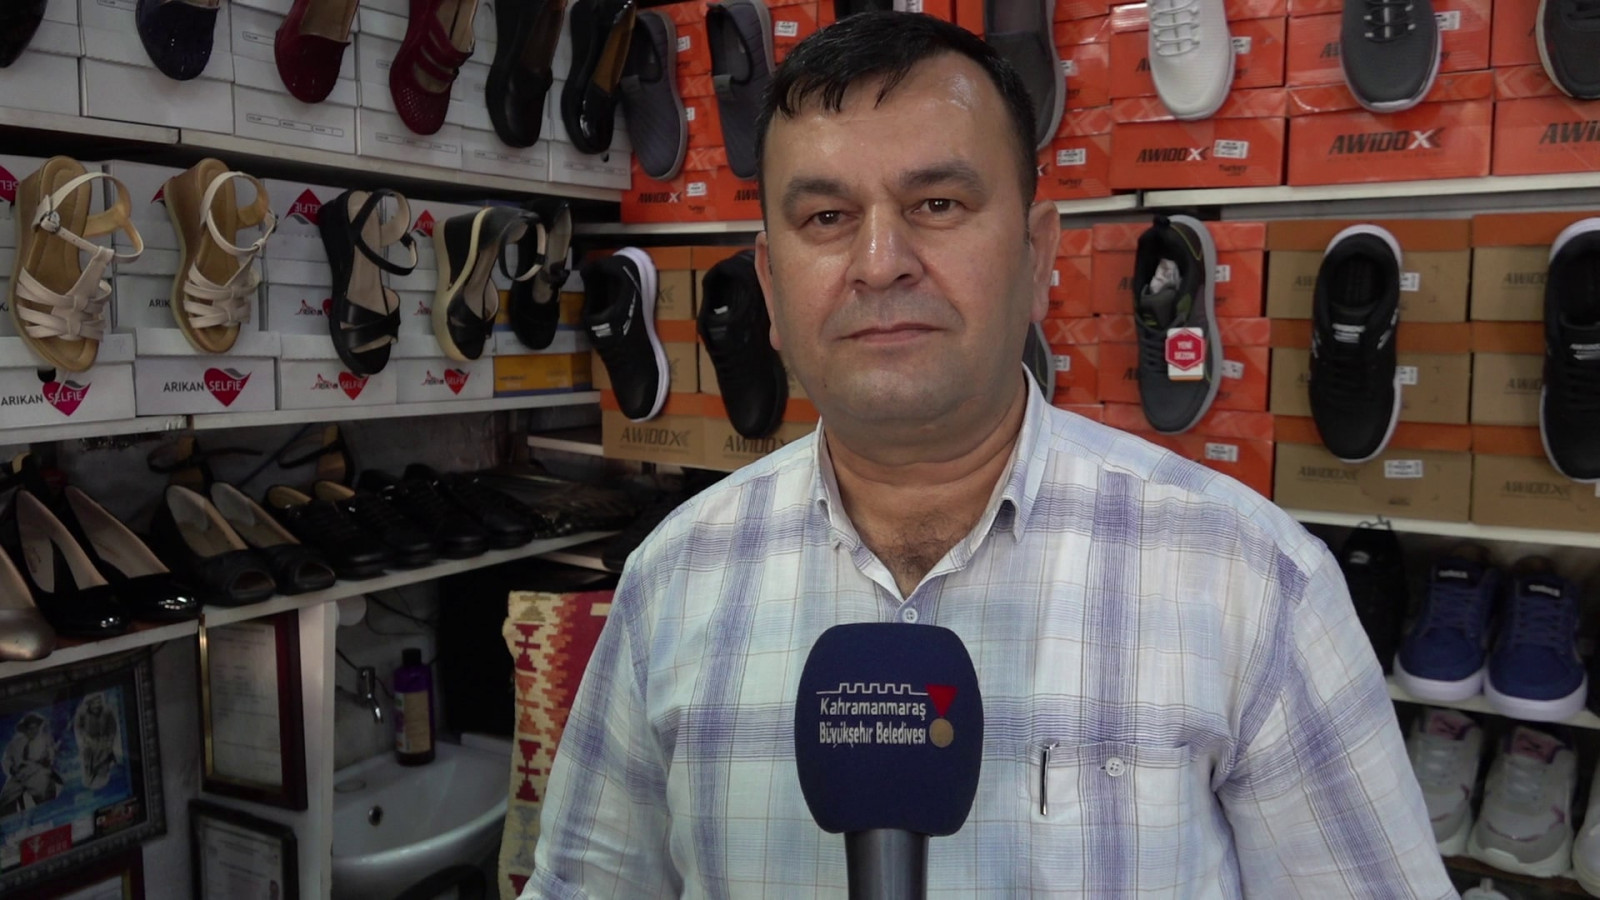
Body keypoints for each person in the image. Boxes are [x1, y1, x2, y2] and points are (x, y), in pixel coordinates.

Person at [527, 11, 1453, 897]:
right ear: (769, 286)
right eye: (826, 219)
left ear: (1038, 255)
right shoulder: (669, 583)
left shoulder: (1256, 583)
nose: (880, 261)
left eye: (937, 203)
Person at [1, 713, 61, 815]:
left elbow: (51, 755)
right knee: (5, 798)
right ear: (25, 729)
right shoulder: (14, 744)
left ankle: (46, 814)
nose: (33, 731)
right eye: (30, 728)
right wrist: (11, 769)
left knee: (44, 790)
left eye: (36, 728)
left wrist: (48, 760)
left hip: (38, 771)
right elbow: (6, 760)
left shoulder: (44, 740)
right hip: (19, 775)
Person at [74, 692, 122, 790]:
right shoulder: (81, 713)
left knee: (103, 763)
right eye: (95, 702)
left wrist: (109, 741)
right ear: (89, 704)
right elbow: (78, 728)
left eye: (99, 702)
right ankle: (89, 780)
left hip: (103, 744)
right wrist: (85, 739)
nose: (97, 705)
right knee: (88, 764)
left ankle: (103, 780)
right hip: (89, 745)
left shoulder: (107, 712)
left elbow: (112, 728)